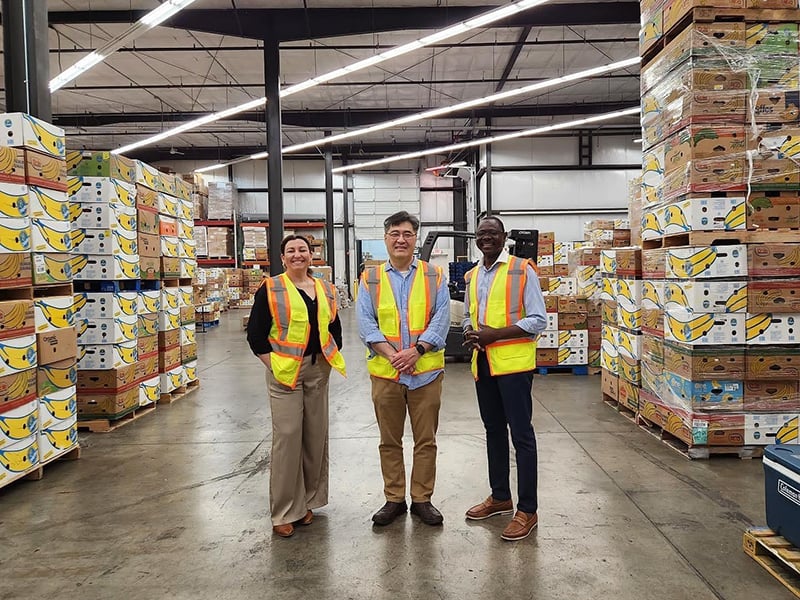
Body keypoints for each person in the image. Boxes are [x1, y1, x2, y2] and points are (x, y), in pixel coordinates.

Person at [246, 234, 346, 538]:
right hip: (285, 372)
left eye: (303, 249)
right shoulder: (272, 288)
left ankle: (307, 502)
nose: (297, 254)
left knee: (315, 436)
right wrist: (275, 365)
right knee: (288, 437)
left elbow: (334, 328)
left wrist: (330, 357)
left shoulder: (325, 289)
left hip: (319, 369)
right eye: (291, 250)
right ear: (283, 257)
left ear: (311, 255)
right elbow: (256, 335)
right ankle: (284, 511)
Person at [357, 211, 450, 527]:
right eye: (395, 233)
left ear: (415, 239)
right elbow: (365, 323)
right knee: (389, 440)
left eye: (407, 233)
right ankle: (394, 499)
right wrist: (394, 355)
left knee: (426, 440)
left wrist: (417, 350)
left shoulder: (434, 275)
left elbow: (441, 318)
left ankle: (422, 499)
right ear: (386, 238)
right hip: (386, 374)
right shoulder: (370, 278)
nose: (400, 239)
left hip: (426, 374)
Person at [462, 216, 547, 541]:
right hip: (483, 364)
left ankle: (528, 509)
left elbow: (538, 320)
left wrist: (494, 335)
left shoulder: (521, 269)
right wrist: (472, 332)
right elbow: (474, 315)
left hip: (513, 367)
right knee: (493, 431)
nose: (487, 238)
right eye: (482, 233)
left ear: (504, 237)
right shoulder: (472, 275)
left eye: (493, 234)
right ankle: (500, 496)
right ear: (476, 237)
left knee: (521, 436)